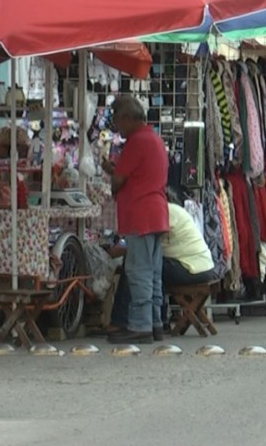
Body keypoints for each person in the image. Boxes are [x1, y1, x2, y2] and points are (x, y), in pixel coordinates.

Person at [102, 95, 169, 344]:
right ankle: (154, 322)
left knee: (138, 271)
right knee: (152, 272)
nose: (117, 127)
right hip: (156, 212)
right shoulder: (153, 138)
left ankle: (140, 325)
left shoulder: (137, 141)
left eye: (118, 120)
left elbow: (119, 181)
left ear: (128, 118)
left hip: (140, 212)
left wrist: (113, 179)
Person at [108, 190, 217, 335]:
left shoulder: (167, 212)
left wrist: (118, 250)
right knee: (150, 267)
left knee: (135, 267)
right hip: (202, 266)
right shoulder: (176, 211)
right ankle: (159, 321)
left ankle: (119, 321)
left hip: (191, 267)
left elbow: (144, 245)